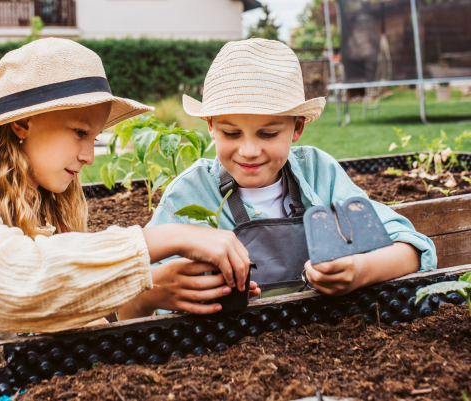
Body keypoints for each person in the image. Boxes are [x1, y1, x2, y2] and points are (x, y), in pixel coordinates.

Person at [0, 38, 252, 401]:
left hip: (26, 378)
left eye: (96, 137)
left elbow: (66, 307)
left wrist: (149, 290)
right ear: (23, 124)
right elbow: (8, 282)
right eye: (79, 132)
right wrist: (162, 239)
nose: (89, 155)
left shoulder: (51, 198)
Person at [117, 38, 436, 319]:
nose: (249, 150)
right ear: (210, 126)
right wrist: (155, 292)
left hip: (319, 338)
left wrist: (358, 271)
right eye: (231, 133)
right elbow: (129, 303)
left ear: (297, 128)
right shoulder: (190, 193)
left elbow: (413, 249)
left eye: (268, 133)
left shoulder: (317, 173)